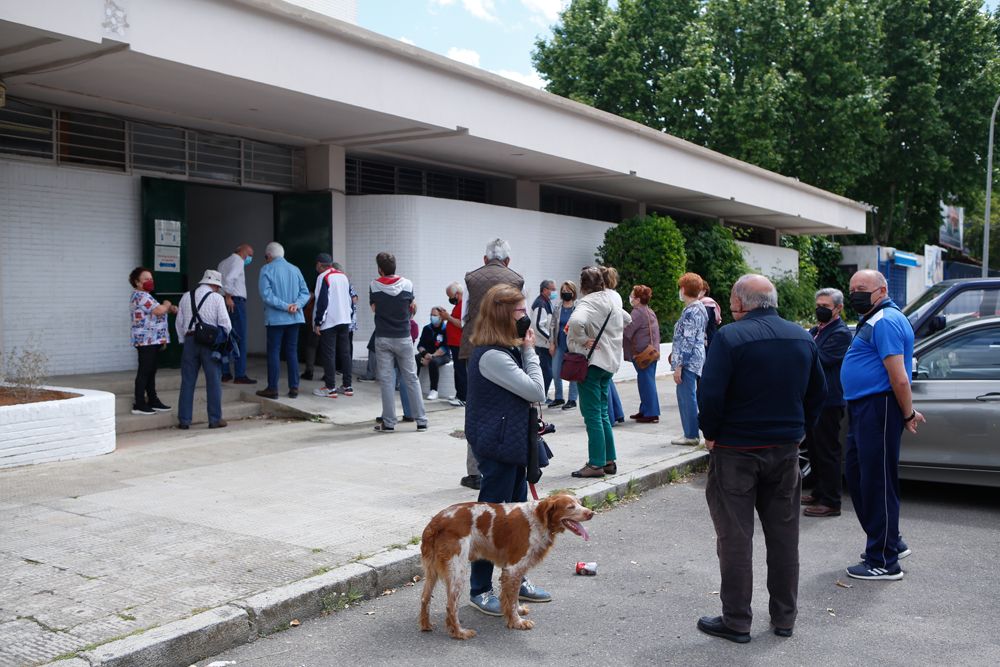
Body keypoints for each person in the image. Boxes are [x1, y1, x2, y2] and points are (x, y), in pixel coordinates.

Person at [696, 274, 827, 643]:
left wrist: (711, 433)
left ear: (740, 303)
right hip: (784, 450)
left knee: (735, 539)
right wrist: (799, 428)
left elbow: (711, 394)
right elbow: (821, 392)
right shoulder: (802, 337)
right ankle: (784, 618)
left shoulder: (730, 337)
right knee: (784, 537)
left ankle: (737, 620)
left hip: (736, 451)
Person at [464, 283, 551, 615]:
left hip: (512, 443)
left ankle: (515, 578)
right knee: (491, 520)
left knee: (516, 519)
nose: (525, 318)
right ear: (503, 315)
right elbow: (536, 390)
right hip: (498, 446)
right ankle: (480, 589)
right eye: (519, 312)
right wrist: (530, 351)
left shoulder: (505, 350)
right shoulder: (492, 356)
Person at [841, 269, 925, 581]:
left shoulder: (886, 320)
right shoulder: (876, 318)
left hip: (880, 407)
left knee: (878, 482)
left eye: (862, 288)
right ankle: (890, 541)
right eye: (851, 289)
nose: (855, 294)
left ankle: (884, 560)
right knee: (859, 475)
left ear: (882, 289)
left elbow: (899, 377)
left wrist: (907, 413)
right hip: (865, 408)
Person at [458, 239, 524, 489]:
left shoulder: (470, 278)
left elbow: (465, 315)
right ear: (507, 261)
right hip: (507, 347)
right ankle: (506, 460)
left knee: (475, 406)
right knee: (507, 405)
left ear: (485, 259)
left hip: (474, 347)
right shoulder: (516, 279)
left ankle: (475, 471)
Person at [567, 266, 630, 478]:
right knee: (603, 413)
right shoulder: (614, 297)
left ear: (583, 285)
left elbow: (575, 322)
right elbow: (627, 318)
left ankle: (595, 464)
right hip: (609, 363)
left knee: (592, 415)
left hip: (591, 363)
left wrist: (584, 339)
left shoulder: (587, 302)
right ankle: (609, 460)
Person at [801, 288, 852, 518]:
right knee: (814, 449)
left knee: (828, 451)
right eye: (818, 305)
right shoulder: (816, 331)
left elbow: (819, 359)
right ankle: (819, 492)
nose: (820, 309)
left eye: (826, 306)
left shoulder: (840, 333)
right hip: (814, 400)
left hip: (829, 401)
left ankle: (831, 501)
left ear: (838, 309)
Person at [370, 251, 427, 432]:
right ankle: (421, 420)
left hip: (383, 337)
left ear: (380, 269)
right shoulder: (408, 284)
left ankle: (388, 423)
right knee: (411, 377)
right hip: (404, 337)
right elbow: (412, 305)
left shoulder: (374, 285)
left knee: (386, 380)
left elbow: (374, 308)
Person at [175, 269, 233, 429]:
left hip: (190, 340)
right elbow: (226, 324)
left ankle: (184, 420)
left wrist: (183, 340)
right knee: (213, 380)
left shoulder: (186, 296)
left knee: (187, 381)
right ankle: (215, 419)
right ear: (215, 285)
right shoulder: (216, 298)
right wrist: (223, 341)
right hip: (210, 343)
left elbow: (179, 323)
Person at [255, 242, 310, 399]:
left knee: (274, 352)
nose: (266, 260)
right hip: (295, 318)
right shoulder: (295, 269)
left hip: (276, 319)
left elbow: (266, 295)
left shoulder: (266, 269)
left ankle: (273, 388)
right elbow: (305, 293)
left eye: (266, 257)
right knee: (292, 352)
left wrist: (286, 306)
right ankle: (294, 387)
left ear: (269, 256)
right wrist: (296, 305)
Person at [128, 266, 177, 416]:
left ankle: (153, 400)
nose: (150, 281)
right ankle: (139, 403)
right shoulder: (140, 295)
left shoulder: (147, 296)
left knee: (151, 371)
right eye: (146, 279)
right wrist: (168, 304)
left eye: (151, 278)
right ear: (137, 282)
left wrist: (169, 307)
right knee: (144, 371)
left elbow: (158, 310)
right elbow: (159, 310)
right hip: (145, 340)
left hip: (153, 339)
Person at [671, 273, 709, 445]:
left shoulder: (692, 311)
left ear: (684, 289)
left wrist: (679, 365)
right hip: (696, 358)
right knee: (687, 394)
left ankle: (691, 434)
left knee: (686, 395)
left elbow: (688, 340)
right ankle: (690, 432)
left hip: (689, 361)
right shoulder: (699, 308)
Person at [311, 253, 354, 398]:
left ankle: (330, 387)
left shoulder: (323, 277)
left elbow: (322, 302)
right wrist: (350, 316)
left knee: (329, 354)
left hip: (330, 321)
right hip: (345, 320)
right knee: (345, 353)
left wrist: (318, 322)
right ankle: (347, 386)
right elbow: (350, 300)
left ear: (319, 264)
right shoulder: (343, 276)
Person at [217, 243, 256, 384]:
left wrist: (224, 298)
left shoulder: (223, 263)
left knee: (226, 337)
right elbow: (229, 280)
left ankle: (225, 372)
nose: (250, 258)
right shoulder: (238, 261)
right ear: (243, 252)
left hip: (223, 301)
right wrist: (229, 297)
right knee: (240, 338)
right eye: (250, 255)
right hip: (235, 302)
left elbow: (220, 281)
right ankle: (240, 374)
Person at [623, 285, 660, 423]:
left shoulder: (637, 312)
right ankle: (645, 410)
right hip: (651, 352)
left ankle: (651, 413)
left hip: (642, 354)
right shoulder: (648, 310)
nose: (631, 298)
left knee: (646, 383)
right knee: (645, 381)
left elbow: (627, 331)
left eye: (632, 295)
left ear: (637, 299)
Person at [600, 266, 627, 425]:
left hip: (603, 341)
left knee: (602, 380)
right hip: (615, 340)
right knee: (607, 378)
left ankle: (609, 415)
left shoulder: (601, 297)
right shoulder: (616, 296)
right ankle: (617, 412)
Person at [549, 281, 579, 409]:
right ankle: (559, 397)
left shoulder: (578, 307)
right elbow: (552, 326)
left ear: (573, 292)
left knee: (573, 372)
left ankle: (572, 399)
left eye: (569, 290)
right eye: (564, 290)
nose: (566, 292)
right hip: (559, 344)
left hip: (573, 346)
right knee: (555, 372)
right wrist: (551, 343)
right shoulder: (558, 307)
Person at [438, 282, 466, 407]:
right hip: (454, 343)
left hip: (459, 343)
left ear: (457, 294)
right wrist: (447, 317)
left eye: (451, 296)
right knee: (458, 369)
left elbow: (461, 324)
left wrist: (447, 317)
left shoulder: (463, 305)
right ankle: (458, 394)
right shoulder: (458, 305)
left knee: (461, 370)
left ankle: (463, 397)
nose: (450, 299)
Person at [416, 307, 451, 400]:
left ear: (441, 317)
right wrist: (425, 353)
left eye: (435, 315)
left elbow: (444, 348)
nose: (432, 317)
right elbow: (420, 345)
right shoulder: (427, 329)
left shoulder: (446, 329)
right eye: (431, 315)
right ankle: (414, 386)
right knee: (416, 358)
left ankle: (434, 390)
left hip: (443, 355)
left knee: (433, 362)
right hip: (428, 354)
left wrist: (431, 357)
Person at [531, 279, 556, 403]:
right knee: (546, 373)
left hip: (545, 344)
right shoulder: (540, 304)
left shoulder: (546, 302)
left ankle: (543, 396)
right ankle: (542, 397)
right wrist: (551, 339)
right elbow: (538, 326)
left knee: (546, 372)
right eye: (552, 289)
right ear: (545, 290)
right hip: (543, 345)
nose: (554, 292)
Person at [700, 280, 722, 349]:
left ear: (704, 291)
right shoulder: (699, 304)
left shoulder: (707, 303)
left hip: (708, 339)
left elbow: (703, 321)